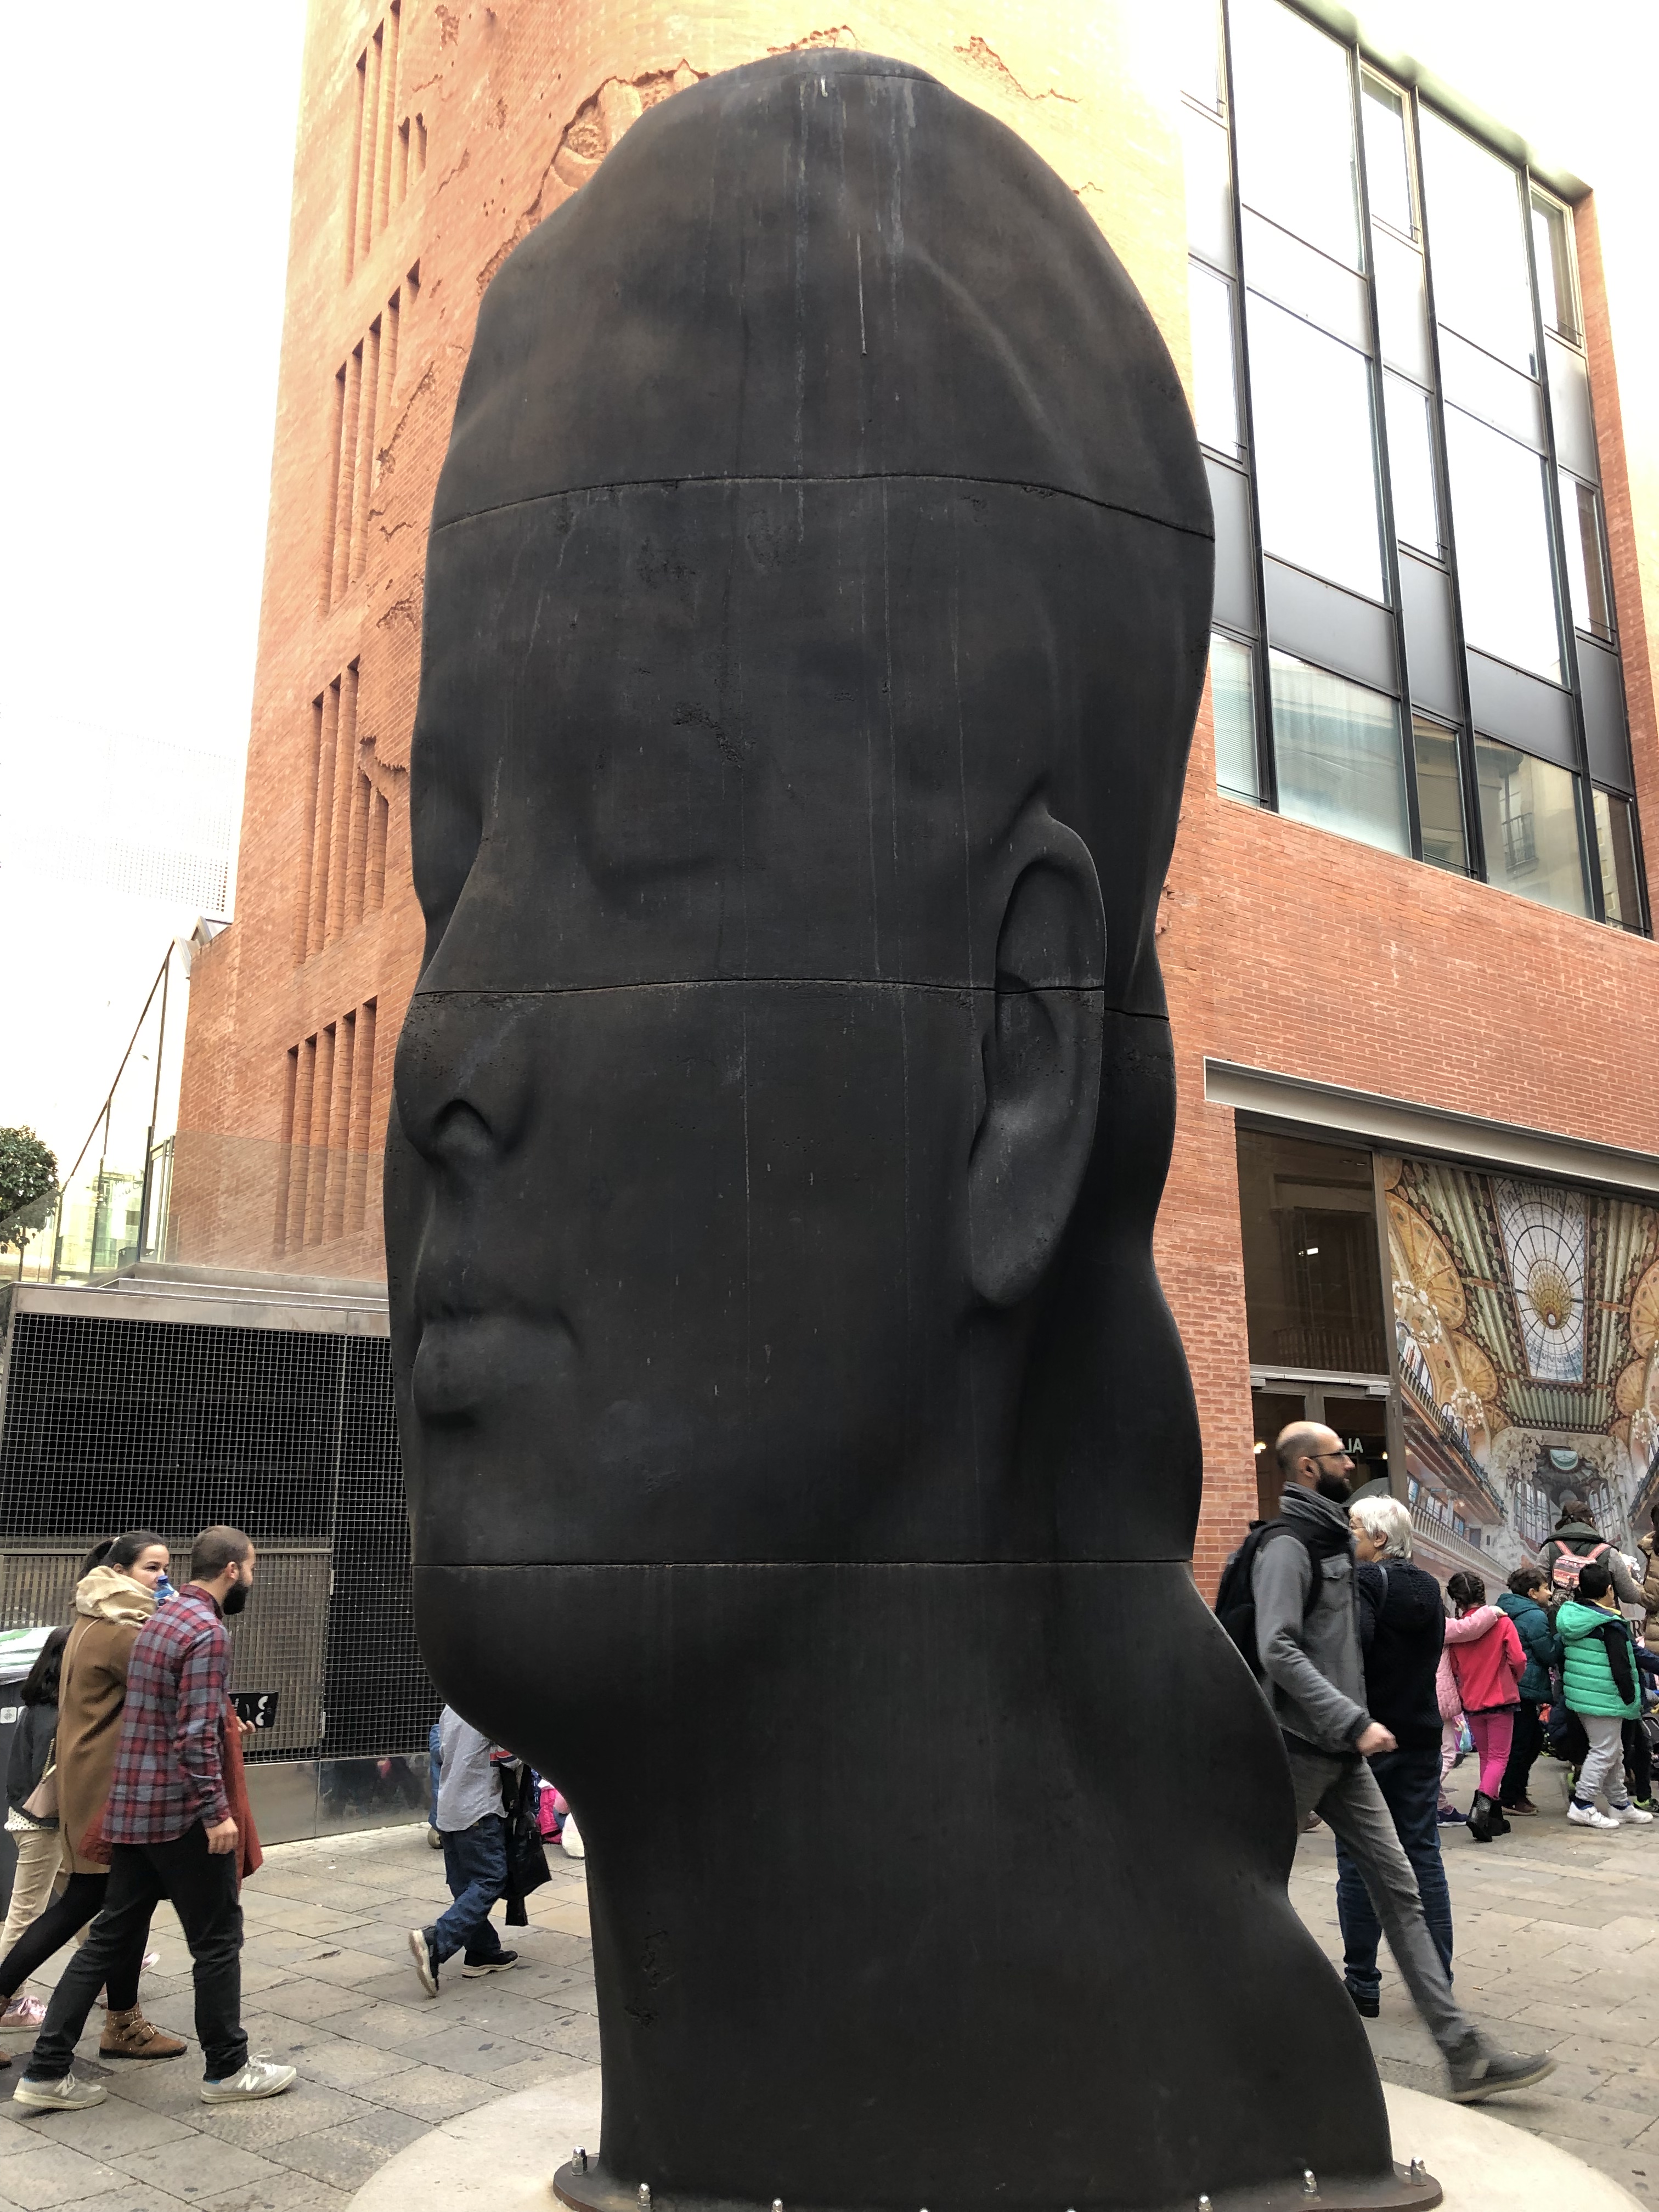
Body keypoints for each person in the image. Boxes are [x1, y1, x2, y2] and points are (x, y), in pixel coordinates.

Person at [1252, 1421, 1553, 2101]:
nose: (1349, 1461)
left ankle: (1464, 2055)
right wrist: (1352, 1719)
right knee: (1250, 1883)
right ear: (1307, 1469)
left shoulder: (1334, 1545)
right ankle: (1222, 2021)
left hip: (1346, 1753)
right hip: (1303, 1749)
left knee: (1401, 1889)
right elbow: (1277, 1647)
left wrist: (1357, 1722)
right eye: (1337, 1455)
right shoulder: (1287, 1546)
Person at [12, 1526, 295, 2112]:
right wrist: (217, 1813)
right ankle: (228, 2068)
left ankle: (46, 2070)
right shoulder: (206, 1631)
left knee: (106, 1939)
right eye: (252, 1567)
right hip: (179, 1812)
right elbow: (192, 1734)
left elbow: (161, 1715)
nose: (253, 1576)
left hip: (130, 1807)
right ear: (233, 1570)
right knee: (217, 1940)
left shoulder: (158, 1622)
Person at [0, 1532, 180, 2059]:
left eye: (166, 1568)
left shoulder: (97, 1621)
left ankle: (123, 2023)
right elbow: (172, 1684)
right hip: (108, 1793)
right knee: (82, 1907)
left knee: (116, 1907)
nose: (164, 1580)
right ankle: (72, 2047)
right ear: (119, 1572)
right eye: (152, 1568)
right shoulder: (119, 1630)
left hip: (105, 1790)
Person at [1336, 1493, 1452, 2018]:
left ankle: (1362, 1981)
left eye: (1354, 1527)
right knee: (1423, 1853)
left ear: (1379, 1538)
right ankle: (1439, 1982)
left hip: (1372, 1737)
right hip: (1421, 1737)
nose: (1348, 1535)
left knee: (1358, 1860)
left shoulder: (1363, 1582)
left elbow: (1353, 1650)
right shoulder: (1429, 1587)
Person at [409, 1706, 520, 1996]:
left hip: (448, 1809)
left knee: (464, 1884)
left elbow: (441, 1752)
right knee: (490, 1879)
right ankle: (437, 1940)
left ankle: (483, 1951)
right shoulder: (489, 1709)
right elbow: (510, 1758)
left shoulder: (451, 1708)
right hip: (478, 1809)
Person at [0, 1629, 69, 2030]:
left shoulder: (35, 1707)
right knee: (25, 1915)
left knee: (80, 1897)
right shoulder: (60, 1714)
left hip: (27, 1818)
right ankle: (11, 2003)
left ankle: (109, 1968)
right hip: (44, 1826)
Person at [1558, 1558, 1652, 1831]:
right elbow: (1622, 1665)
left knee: (1613, 1750)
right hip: (1605, 1697)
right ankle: (1583, 1804)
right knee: (1604, 1751)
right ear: (1610, 1590)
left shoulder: (1573, 1617)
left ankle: (1620, 1804)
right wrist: (1630, 1698)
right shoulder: (1609, 1624)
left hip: (1583, 1696)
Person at [1442, 1572, 1526, 1843]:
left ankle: (1494, 1818)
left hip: (1472, 1700)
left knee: (1488, 1758)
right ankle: (1479, 1814)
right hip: (1501, 1699)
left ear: (1458, 1601)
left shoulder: (1458, 1631)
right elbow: (1518, 1658)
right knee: (1500, 1758)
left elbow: (1455, 1667)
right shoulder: (1502, 1622)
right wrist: (1513, 1678)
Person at [1496, 1567, 1561, 1818]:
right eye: (1545, 1588)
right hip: (1525, 1686)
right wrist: (1561, 1637)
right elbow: (1548, 1654)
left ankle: (1515, 1792)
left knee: (1528, 1741)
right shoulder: (1534, 1616)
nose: (1549, 1593)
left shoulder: (1505, 1609)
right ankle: (1510, 1797)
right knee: (1524, 1744)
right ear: (1533, 1593)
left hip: (1510, 1684)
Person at [1542, 1502, 1645, 1608]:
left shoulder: (1549, 1549)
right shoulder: (1610, 1553)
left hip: (1563, 1617)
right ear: (1591, 1520)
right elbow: (1630, 1596)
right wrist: (1628, 1576)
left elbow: (1538, 1591)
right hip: (1604, 1617)